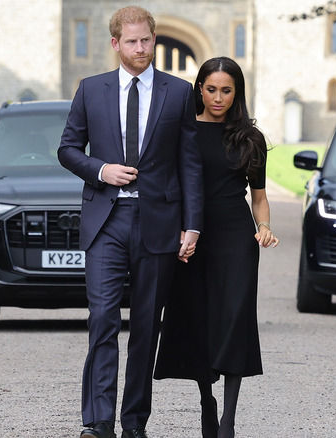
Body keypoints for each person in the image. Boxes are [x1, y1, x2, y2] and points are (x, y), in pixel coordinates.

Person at [58, 6, 204, 438]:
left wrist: (192, 225)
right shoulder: (90, 89)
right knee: (102, 319)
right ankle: (99, 421)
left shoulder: (178, 92)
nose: (140, 49)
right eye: (132, 41)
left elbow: (189, 164)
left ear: (154, 39)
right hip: (106, 219)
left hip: (159, 222)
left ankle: (134, 423)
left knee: (145, 326)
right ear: (115, 43)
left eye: (147, 40)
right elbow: (68, 149)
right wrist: (101, 170)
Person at [154, 57, 279, 438]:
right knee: (198, 320)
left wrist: (265, 227)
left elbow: (258, 197)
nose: (218, 97)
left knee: (234, 320)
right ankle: (206, 399)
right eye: (211, 89)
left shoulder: (250, 138)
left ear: (237, 92)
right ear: (199, 89)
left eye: (227, 90)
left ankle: (228, 420)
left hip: (236, 240)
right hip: (191, 238)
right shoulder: (183, 129)